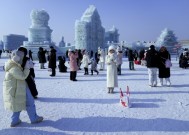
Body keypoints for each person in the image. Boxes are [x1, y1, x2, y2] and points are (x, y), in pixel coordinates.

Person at [3, 50, 43, 127]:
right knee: (29, 102)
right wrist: (27, 67)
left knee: (18, 104)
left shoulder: (13, 65)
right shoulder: (13, 67)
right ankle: (33, 118)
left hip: (18, 88)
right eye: (20, 57)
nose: (21, 58)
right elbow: (22, 76)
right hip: (17, 89)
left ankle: (15, 120)